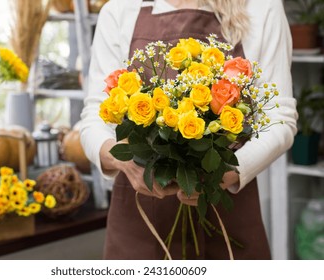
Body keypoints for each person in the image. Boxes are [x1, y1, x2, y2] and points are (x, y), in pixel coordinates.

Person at [80, 0, 297, 260]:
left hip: (226, 208)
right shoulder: (119, 10)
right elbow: (95, 115)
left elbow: (280, 116)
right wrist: (122, 160)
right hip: (140, 217)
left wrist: (231, 171)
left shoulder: (262, 7)